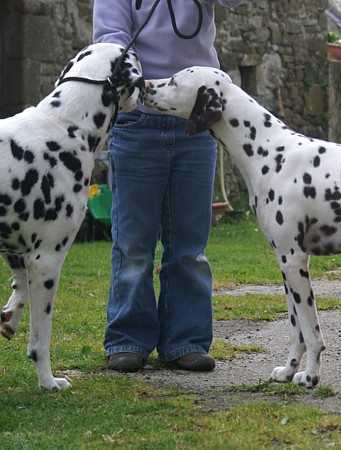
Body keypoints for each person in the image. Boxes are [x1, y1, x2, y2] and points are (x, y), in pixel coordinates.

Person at [93, 0, 244, 372]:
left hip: (197, 118)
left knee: (189, 245)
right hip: (138, 120)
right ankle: (128, 339)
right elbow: (111, 40)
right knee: (133, 242)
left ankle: (186, 341)